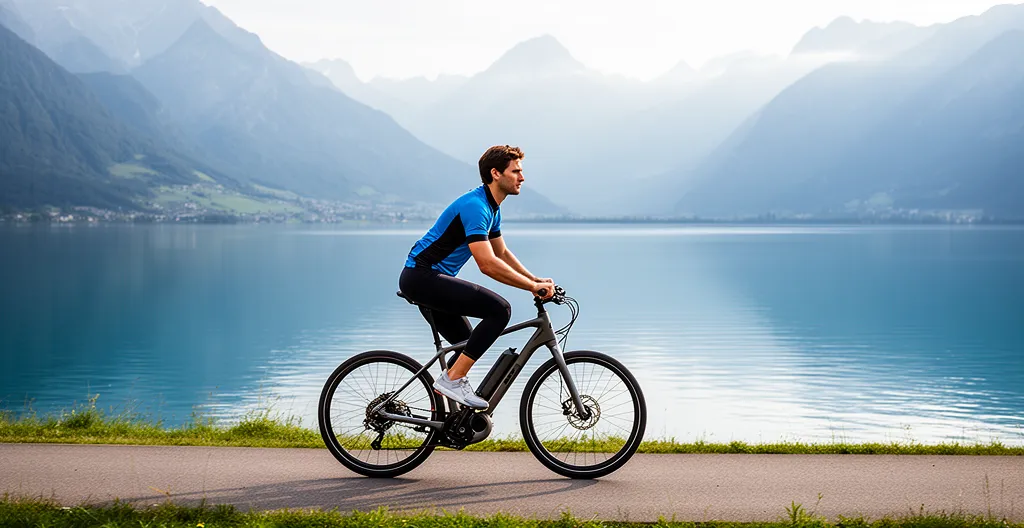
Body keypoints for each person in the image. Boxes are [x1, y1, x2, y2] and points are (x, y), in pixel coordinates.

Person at [399, 145, 555, 409]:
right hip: (421, 277)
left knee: (468, 345)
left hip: (428, 278)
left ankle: (445, 413)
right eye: (515, 171)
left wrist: (535, 279)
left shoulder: (492, 208)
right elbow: (487, 264)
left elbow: (501, 252)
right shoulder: (476, 206)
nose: (522, 177)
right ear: (496, 173)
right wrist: (531, 286)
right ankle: (452, 380)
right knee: (500, 311)